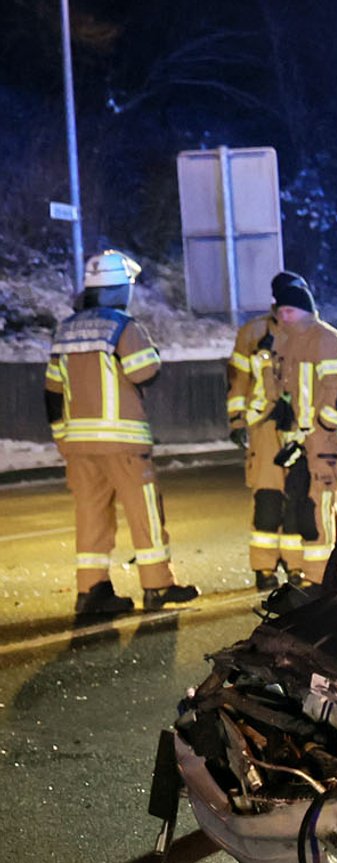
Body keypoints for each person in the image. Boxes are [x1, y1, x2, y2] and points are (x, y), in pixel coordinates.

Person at [43, 251, 198, 618]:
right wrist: (151, 349)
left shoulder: (65, 330)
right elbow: (145, 372)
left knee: (91, 514)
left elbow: (52, 391)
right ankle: (158, 586)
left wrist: (62, 436)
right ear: (118, 290)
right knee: (144, 514)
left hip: (79, 443)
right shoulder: (121, 326)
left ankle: (91, 591)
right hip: (123, 442)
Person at [256, 273, 337, 585]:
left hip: (321, 437)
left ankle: (319, 577)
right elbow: (282, 390)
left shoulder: (325, 339)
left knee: (316, 504)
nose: (283, 316)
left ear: (306, 309)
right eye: (280, 311)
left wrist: (323, 428)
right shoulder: (283, 341)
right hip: (298, 438)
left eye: (290, 311)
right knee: (310, 503)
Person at [226, 272, 307, 588]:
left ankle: (296, 567)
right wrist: (237, 421)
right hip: (265, 426)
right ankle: (264, 568)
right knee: (268, 497)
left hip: (300, 429)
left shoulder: (312, 334)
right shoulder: (253, 333)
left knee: (299, 498)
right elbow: (237, 380)